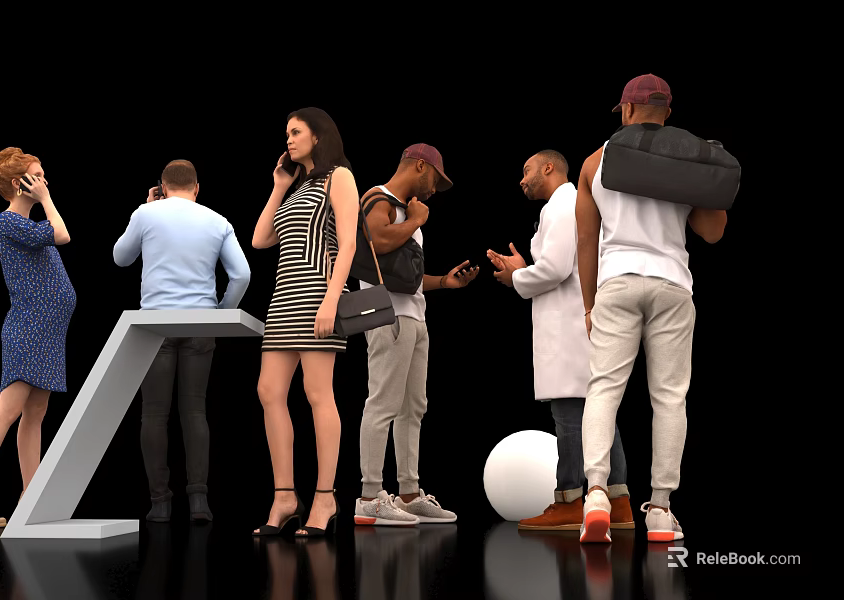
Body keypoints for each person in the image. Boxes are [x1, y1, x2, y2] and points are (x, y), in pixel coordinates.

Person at [576, 74, 728, 543]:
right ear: (668, 112)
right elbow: (713, 232)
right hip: (671, 284)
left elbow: (585, 241)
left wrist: (588, 305)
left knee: (603, 388)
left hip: (618, 280)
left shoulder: (594, 161)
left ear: (626, 110)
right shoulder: (687, 156)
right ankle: (660, 510)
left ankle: (597, 493)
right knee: (669, 398)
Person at [487, 150, 634, 532]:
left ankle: (569, 500)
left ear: (548, 168)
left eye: (526, 170)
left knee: (569, 414)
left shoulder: (562, 203)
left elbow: (553, 268)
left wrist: (516, 278)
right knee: (600, 415)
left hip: (569, 328)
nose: (522, 179)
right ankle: (618, 502)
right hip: (578, 324)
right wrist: (523, 267)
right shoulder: (570, 203)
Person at [114, 159, 251, 523]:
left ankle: (160, 503)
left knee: (154, 413)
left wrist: (145, 208)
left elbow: (120, 258)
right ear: (197, 187)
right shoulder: (218, 221)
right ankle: (199, 502)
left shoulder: (146, 214)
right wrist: (220, 311)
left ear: (162, 185)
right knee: (195, 410)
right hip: (200, 323)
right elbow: (241, 275)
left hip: (155, 324)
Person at [355, 144, 478, 527]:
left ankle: (408, 494)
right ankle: (369, 497)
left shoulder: (405, 211)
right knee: (383, 403)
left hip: (413, 316)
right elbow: (377, 242)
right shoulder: (380, 198)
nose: (433, 190)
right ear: (420, 166)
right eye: (434, 180)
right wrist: (417, 221)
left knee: (413, 407)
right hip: (387, 316)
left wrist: (444, 281)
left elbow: (403, 275)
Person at [251, 107, 359, 537]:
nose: (289, 139)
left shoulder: (340, 177)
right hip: (284, 298)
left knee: (318, 393)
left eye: (296, 132)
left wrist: (332, 298)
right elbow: (261, 240)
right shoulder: (296, 187)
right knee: (268, 390)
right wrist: (279, 187)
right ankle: (284, 496)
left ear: (319, 136)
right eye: (287, 133)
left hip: (318, 294)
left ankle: (325, 497)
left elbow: (348, 242)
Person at [0, 147, 75, 527]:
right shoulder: (7, 222)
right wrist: (47, 200)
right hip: (29, 328)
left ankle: (30, 495)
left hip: (48, 331)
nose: (44, 182)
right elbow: (62, 234)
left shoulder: (29, 227)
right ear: (18, 183)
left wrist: (42, 200)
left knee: (35, 413)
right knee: (8, 411)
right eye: (37, 176)